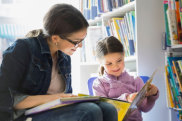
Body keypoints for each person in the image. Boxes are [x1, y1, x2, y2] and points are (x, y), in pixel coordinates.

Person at [0, 4, 118, 121]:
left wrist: (67, 98)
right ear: (55, 38)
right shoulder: (22, 49)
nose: (80, 46)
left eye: (82, 40)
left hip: (52, 110)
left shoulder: (64, 56)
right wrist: (54, 98)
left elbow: (64, 97)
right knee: (89, 111)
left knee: (109, 109)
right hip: (22, 116)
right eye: (76, 41)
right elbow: (4, 98)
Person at [92, 36, 159, 121]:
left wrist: (153, 95)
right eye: (109, 64)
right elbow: (104, 111)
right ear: (100, 62)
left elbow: (145, 108)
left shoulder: (135, 80)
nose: (115, 66)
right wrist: (126, 99)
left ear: (123, 54)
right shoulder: (99, 84)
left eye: (119, 61)